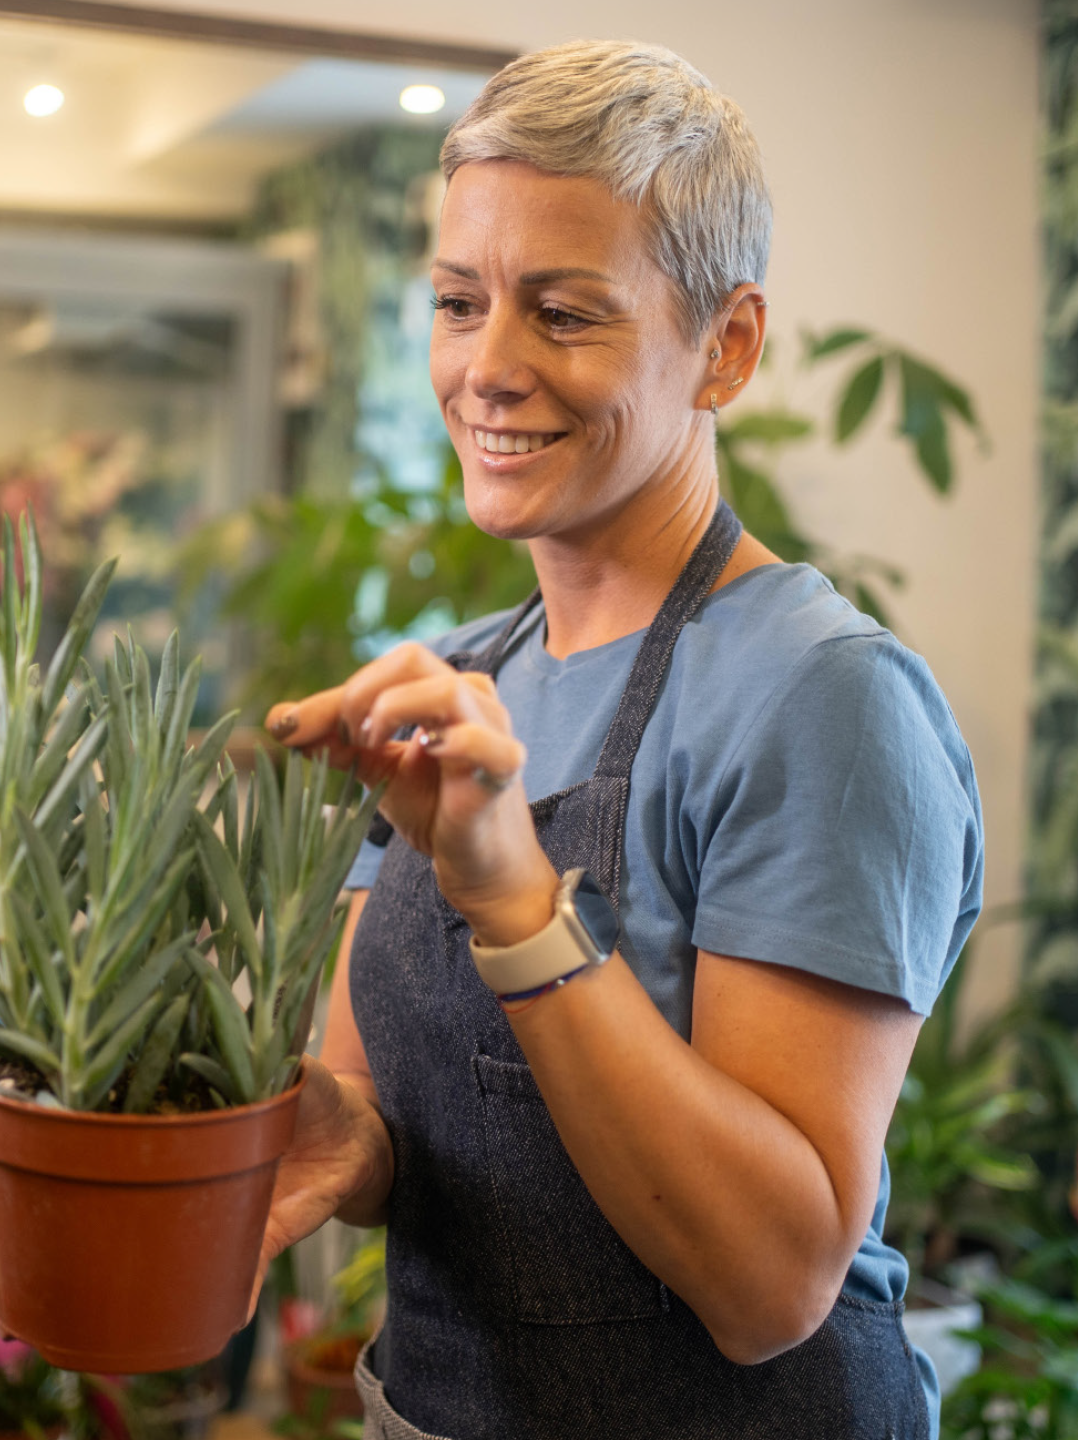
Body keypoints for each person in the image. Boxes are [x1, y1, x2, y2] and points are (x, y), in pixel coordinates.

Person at [258, 41, 983, 1440]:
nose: (487, 369)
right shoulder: (463, 681)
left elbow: (773, 1279)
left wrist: (516, 903)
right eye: (457, 303)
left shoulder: (822, 698)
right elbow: (379, 1098)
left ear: (727, 346)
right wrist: (323, 1143)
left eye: (566, 314)